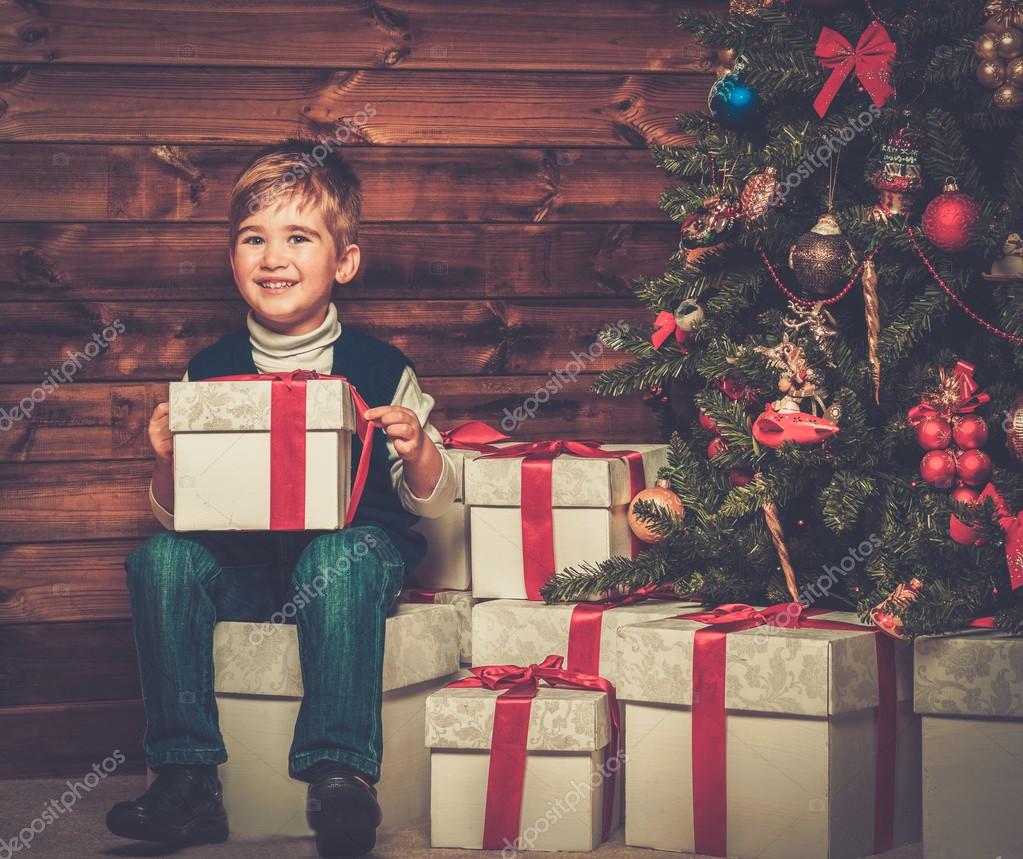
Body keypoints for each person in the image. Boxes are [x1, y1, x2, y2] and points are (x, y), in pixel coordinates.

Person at [105, 138, 457, 858]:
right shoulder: (209, 370)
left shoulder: (382, 367)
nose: (273, 256)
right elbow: (177, 516)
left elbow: (432, 502)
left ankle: (338, 773)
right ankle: (186, 779)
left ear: (344, 261)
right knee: (159, 558)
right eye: (253, 239)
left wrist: (418, 447)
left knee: (345, 546)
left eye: (298, 236)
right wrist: (168, 458)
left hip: (347, 568)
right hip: (250, 571)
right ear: (231, 259)